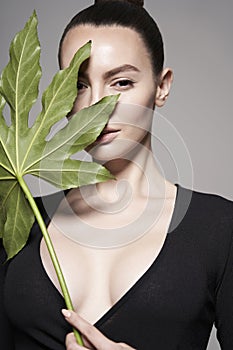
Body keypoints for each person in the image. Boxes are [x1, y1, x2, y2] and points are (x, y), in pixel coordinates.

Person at [0, 0, 233, 349]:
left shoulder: (220, 228)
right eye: (79, 84)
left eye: (121, 82)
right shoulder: (18, 221)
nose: (97, 104)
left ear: (162, 86)